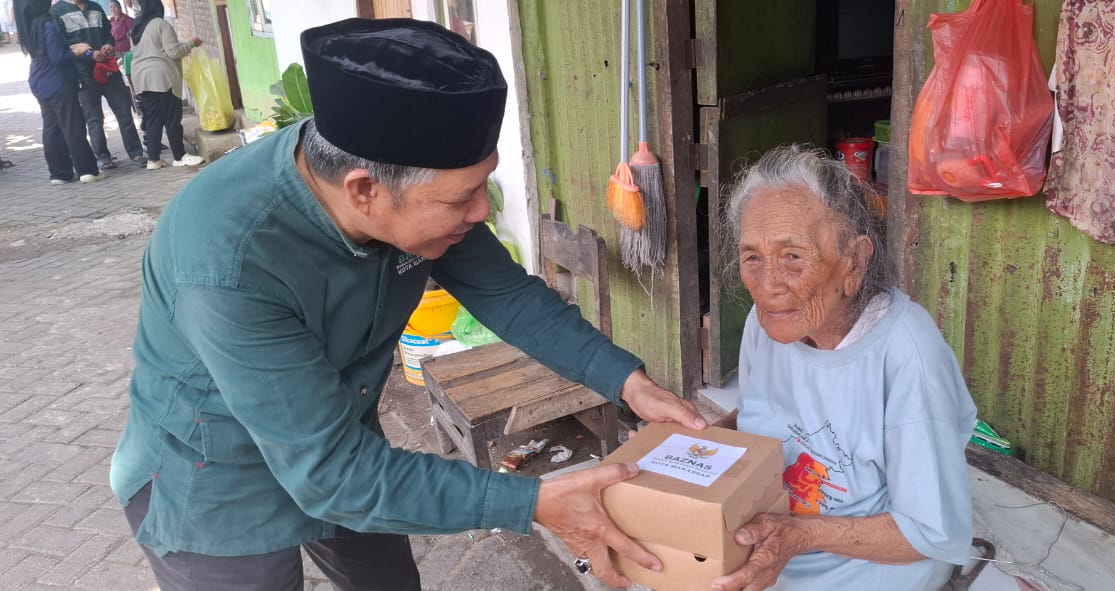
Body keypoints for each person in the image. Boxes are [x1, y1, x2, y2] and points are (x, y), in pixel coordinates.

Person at [110, 18, 706, 591]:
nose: (482, 212)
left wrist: (626, 381)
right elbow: (334, 477)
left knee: (387, 580)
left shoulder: (417, 195)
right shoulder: (226, 261)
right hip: (215, 473)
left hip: (342, 438)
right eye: (463, 198)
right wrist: (534, 503)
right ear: (364, 190)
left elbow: (508, 295)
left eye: (484, 185)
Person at [709, 145, 977, 591]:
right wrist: (700, 444)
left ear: (853, 262)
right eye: (752, 257)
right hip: (777, 539)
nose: (769, 283)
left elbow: (931, 531)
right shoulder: (769, 321)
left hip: (866, 566)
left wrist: (799, 537)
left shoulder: (907, 352)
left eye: (794, 256)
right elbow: (762, 415)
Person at [15, 0, 103, 185]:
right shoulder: (46, 24)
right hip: (58, 81)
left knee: (51, 128)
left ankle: (59, 173)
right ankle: (87, 170)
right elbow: (59, 58)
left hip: (40, 80)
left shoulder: (27, 26)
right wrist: (78, 51)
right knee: (72, 126)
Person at [51, 0, 144, 170]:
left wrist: (109, 44)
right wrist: (88, 53)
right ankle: (102, 156)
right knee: (94, 117)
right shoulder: (57, 11)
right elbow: (60, 44)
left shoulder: (95, 7)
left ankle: (136, 152)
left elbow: (108, 33)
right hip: (83, 74)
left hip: (108, 69)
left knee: (124, 111)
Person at [129, 0, 200, 169]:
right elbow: (174, 51)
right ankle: (179, 156)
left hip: (141, 78)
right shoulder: (161, 24)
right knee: (172, 117)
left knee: (153, 118)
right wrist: (192, 43)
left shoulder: (136, 28)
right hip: (161, 76)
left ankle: (153, 159)